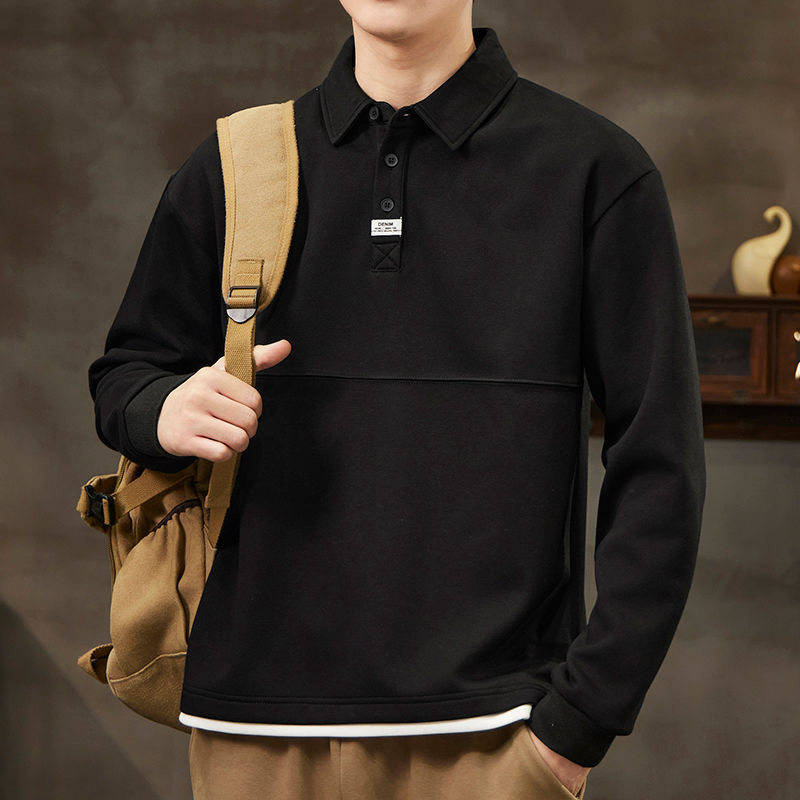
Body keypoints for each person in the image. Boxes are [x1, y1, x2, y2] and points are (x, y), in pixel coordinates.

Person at [87, 0, 706, 797]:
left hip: (493, 739)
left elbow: (660, 462)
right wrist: (165, 410)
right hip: (252, 737)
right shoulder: (238, 165)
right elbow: (125, 376)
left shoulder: (595, 169)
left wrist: (581, 722)